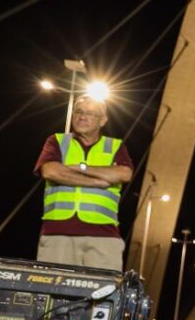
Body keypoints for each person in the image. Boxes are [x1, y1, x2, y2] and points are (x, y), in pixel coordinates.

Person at [33, 95, 133, 270]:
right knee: (53, 293)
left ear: (102, 120)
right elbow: (50, 171)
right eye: (78, 111)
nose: (82, 117)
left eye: (90, 113)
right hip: (58, 234)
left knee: (104, 294)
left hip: (104, 237)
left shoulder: (116, 146)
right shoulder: (57, 141)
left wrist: (80, 167)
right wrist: (97, 181)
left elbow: (124, 174)